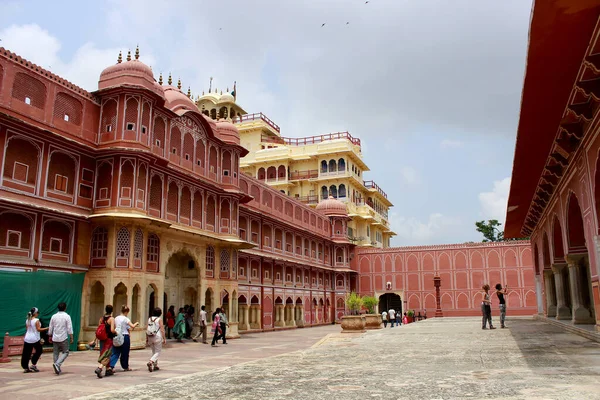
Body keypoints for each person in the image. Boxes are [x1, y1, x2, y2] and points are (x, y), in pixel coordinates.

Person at [106, 305, 139, 376]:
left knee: (115, 352)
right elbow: (132, 326)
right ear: (126, 312)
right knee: (125, 352)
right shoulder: (126, 319)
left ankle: (111, 366)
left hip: (117, 335)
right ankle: (125, 366)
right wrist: (136, 323)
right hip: (125, 336)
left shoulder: (116, 318)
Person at [48, 302, 73, 375]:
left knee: (55, 353)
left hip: (55, 337)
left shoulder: (54, 316)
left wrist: (50, 335)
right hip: (63, 337)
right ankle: (57, 364)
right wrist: (71, 337)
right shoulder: (67, 316)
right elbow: (69, 328)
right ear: (65, 308)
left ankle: (56, 366)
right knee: (66, 352)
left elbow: (50, 327)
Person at [21, 307, 48, 373]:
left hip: (27, 338)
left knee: (26, 353)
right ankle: (33, 362)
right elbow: (38, 329)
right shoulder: (36, 320)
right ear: (35, 313)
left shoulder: (27, 320)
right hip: (35, 338)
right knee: (39, 351)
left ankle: (25, 367)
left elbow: (27, 329)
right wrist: (47, 328)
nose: (38, 314)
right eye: (38, 312)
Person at [94, 305, 116, 379]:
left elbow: (98, 330)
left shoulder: (101, 319)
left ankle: (108, 369)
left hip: (102, 339)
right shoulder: (111, 319)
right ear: (112, 311)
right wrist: (116, 332)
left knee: (103, 353)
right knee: (107, 355)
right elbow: (112, 330)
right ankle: (99, 368)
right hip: (109, 339)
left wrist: (94, 339)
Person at [146, 307, 166, 372]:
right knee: (158, 351)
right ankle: (151, 361)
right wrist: (164, 338)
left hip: (150, 336)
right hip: (157, 336)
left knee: (153, 351)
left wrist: (146, 337)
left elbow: (147, 328)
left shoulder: (150, 319)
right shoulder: (159, 319)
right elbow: (162, 329)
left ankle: (155, 365)